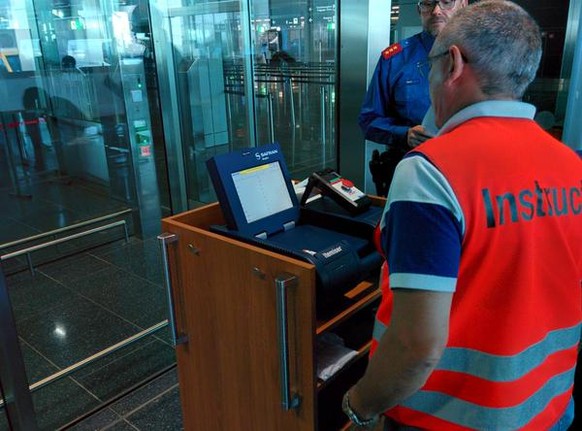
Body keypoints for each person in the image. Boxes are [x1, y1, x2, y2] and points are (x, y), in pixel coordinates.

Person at [342, 1, 582, 430]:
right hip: (549, 405)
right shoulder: (570, 165)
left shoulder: (431, 173)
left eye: (432, 68)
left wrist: (360, 404)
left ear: (452, 64)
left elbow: (417, 346)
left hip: (446, 416)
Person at [361, 0, 467, 196]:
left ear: (463, 4)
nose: (436, 11)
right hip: (410, 176)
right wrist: (405, 134)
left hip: (467, 175)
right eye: (428, 3)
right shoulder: (395, 59)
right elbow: (368, 121)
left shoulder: (484, 56)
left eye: (446, 2)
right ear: (419, 9)